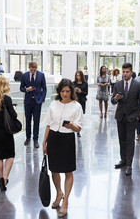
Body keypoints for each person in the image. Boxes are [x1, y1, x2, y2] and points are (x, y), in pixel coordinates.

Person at [42, 79, 83, 218]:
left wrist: (71, 125)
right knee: (54, 169)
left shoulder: (76, 106)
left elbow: (78, 128)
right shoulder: (53, 104)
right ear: (59, 91)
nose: (65, 94)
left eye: (67, 91)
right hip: (53, 138)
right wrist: (44, 142)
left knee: (68, 171)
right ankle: (59, 192)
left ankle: (65, 202)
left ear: (71, 92)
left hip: (67, 139)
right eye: (62, 91)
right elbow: (48, 124)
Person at [111, 63, 140, 176]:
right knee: (122, 140)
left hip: (132, 117)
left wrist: (137, 116)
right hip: (120, 117)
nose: (125, 74)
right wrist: (116, 98)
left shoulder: (138, 85)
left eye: (127, 72)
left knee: (130, 141)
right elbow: (112, 100)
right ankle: (123, 160)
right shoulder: (117, 84)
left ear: (131, 72)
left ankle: (129, 165)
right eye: (123, 71)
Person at [20, 61, 47, 148]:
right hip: (28, 101)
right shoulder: (24, 76)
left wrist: (42, 99)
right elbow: (21, 88)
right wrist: (27, 89)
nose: (33, 71)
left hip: (37, 101)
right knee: (28, 120)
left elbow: (44, 88)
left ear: (36, 68)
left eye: (34, 70)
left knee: (36, 121)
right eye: (31, 70)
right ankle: (28, 138)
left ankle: (36, 139)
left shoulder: (41, 75)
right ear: (29, 68)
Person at [73, 70, 88, 137]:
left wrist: (80, 92)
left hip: (82, 101)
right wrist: (75, 91)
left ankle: (78, 131)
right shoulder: (73, 83)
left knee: (79, 116)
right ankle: (73, 128)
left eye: (79, 75)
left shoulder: (85, 83)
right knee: (74, 115)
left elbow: (86, 93)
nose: (78, 77)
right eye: (77, 75)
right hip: (75, 101)